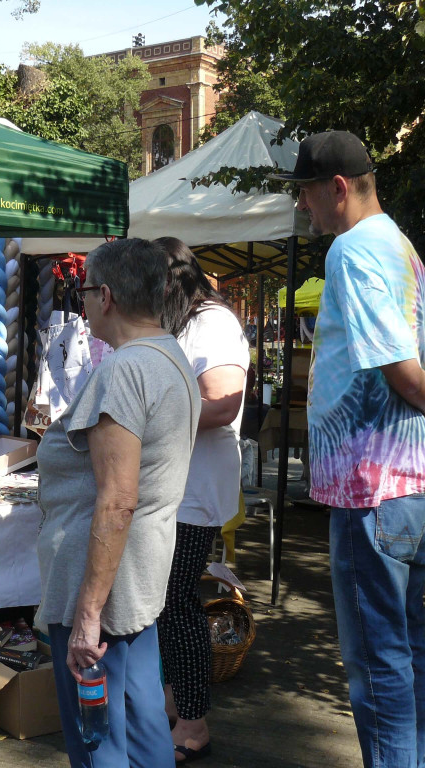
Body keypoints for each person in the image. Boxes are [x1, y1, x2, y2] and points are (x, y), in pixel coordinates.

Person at [278, 130, 425, 768]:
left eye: (307, 194)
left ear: (337, 189)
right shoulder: (404, 251)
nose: (303, 208)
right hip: (411, 486)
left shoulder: (353, 250)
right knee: (404, 645)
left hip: (373, 486)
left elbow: (404, 371)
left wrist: (424, 417)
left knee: (375, 656)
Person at [35, 238, 201, 768]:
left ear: (104, 295)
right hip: (138, 574)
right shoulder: (169, 354)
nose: (80, 302)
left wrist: (87, 613)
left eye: (82, 292)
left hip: (103, 583)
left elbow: (117, 500)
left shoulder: (125, 370)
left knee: (98, 737)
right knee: (144, 718)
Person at [156, 236, 248, 764]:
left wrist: (152, 416)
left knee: (177, 602)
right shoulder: (190, 321)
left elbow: (224, 401)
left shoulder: (212, 322)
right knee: (168, 602)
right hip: (180, 488)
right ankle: (176, 702)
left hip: (196, 491)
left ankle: (193, 723)